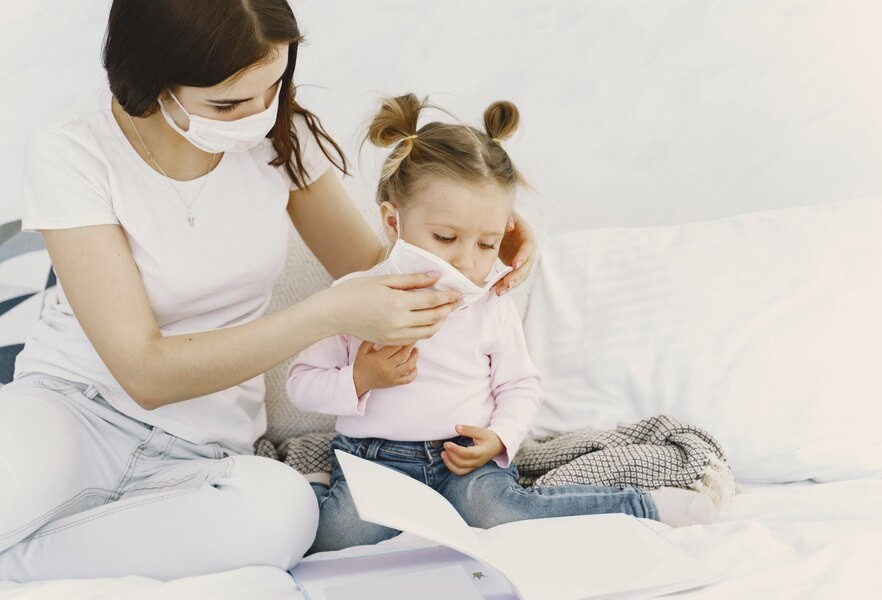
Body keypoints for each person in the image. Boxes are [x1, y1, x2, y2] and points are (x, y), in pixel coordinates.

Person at [0, 0, 537, 582]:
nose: (258, 117)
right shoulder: (73, 151)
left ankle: (18, 565)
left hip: (205, 450)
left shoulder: (286, 137)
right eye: (227, 104)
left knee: (284, 514)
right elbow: (144, 374)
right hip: (74, 410)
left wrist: (477, 236)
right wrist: (327, 312)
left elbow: (376, 270)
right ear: (151, 77)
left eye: (274, 88)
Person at [286, 94, 719, 555]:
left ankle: (642, 506)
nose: (466, 261)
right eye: (445, 237)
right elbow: (301, 384)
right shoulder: (353, 297)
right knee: (337, 536)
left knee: (498, 513)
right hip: (375, 459)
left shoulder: (490, 304)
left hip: (463, 456)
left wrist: (499, 438)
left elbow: (520, 385)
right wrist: (359, 379)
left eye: (486, 244)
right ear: (393, 222)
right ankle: (317, 485)